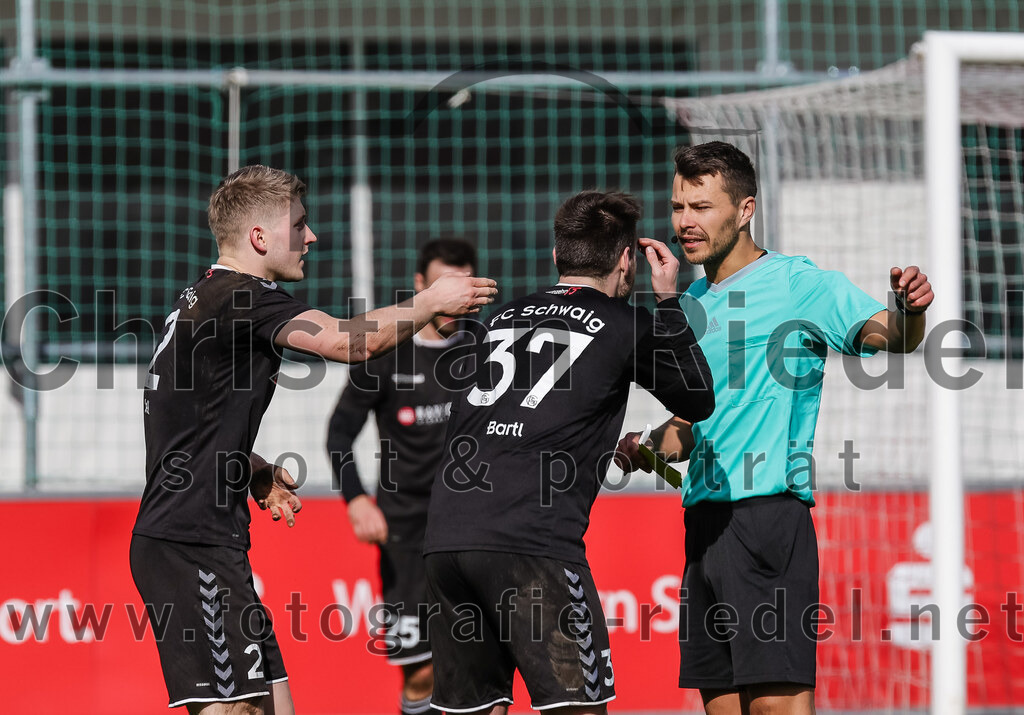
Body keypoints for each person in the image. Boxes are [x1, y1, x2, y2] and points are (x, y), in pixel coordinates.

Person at [129, 165, 496, 715]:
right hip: (190, 541)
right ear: (259, 237)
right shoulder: (244, 298)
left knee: (276, 707)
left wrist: (251, 468)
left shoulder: (204, 299)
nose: (312, 236)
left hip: (205, 539)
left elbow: (182, 428)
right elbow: (350, 343)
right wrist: (428, 302)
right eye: (299, 225)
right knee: (238, 710)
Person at [614, 141, 933, 715]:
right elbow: (693, 425)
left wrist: (910, 311)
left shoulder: (796, 283)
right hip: (702, 529)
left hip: (766, 521)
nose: (685, 222)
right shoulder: (689, 304)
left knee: (775, 709)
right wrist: (647, 445)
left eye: (702, 207)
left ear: (745, 210)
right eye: (679, 206)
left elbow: (892, 338)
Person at [422, 190, 715, 715]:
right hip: (533, 544)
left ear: (557, 255)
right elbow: (698, 399)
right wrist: (669, 302)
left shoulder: (501, 317)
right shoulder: (625, 322)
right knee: (579, 707)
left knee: (474, 709)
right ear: (626, 260)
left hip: (447, 537)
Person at [326, 237, 478, 715]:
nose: (453, 298)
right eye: (443, 286)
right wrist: (356, 499)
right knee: (420, 671)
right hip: (406, 533)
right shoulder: (387, 353)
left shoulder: (488, 349)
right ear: (420, 285)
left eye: (463, 286)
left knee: (477, 665)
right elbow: (338, 433)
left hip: (474, 529)